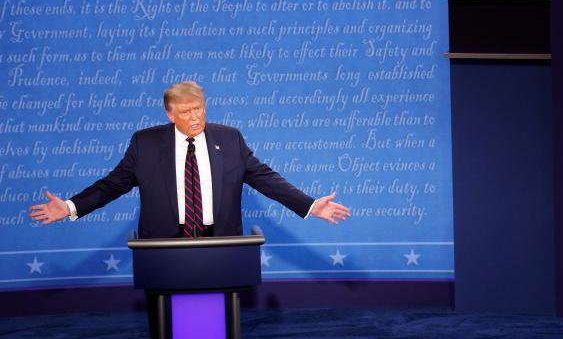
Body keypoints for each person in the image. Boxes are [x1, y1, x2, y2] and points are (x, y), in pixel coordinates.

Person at [27, 81, 349, 235]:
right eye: (186, 112)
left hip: (219, 241)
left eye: (199, 109)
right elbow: (112, 185)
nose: (195, 117)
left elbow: (266, 178)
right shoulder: (145, 144)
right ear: (170, 114)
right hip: (166, 244)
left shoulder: (229, 138)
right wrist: (70, 206)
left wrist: (308, 205)